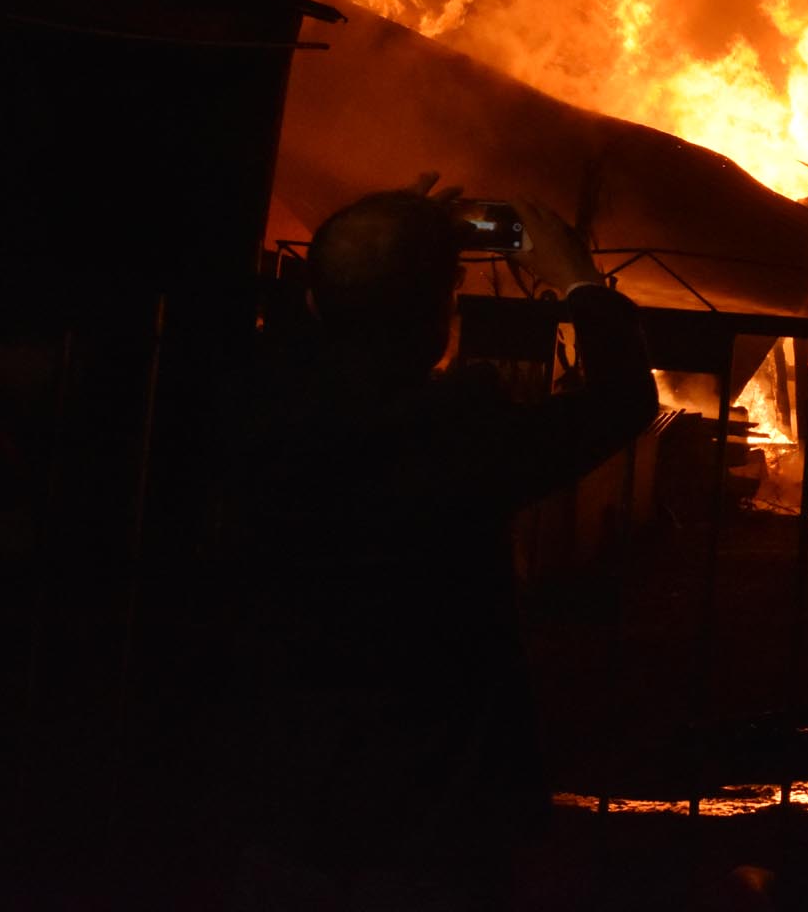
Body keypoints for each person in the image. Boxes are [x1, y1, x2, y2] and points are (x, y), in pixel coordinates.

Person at [225, 177, 655, 909]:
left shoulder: (254, 409)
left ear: (313, 301)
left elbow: (315, 326)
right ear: (441, 319)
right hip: (434, 804)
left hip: (277, 786)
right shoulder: (457, 437)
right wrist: (579, 282)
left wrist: (377, 237)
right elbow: (621, 403)